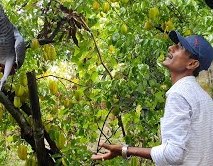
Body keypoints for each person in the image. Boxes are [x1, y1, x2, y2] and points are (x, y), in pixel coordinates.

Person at [91, 30, 213, 165]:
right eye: (175, 45)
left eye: (181, 47)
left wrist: (125, 149)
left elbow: (173, 155)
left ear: (192, 64)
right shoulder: (205, 98)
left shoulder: (179, 94)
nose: (171, 47)